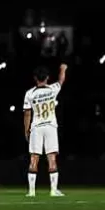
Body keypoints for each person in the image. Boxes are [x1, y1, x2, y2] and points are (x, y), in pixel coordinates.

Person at [23, 63, 68, 197]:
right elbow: (61, 80)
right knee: (52, 158)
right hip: (50, 127)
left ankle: (31, 192)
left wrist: (26, 130)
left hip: (36, 127)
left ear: (35, 78)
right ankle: (53, 190)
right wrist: (62, 69)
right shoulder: (52, 89)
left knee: (34, 158)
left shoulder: (29, 93)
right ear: (47, 77)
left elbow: (27, 113)